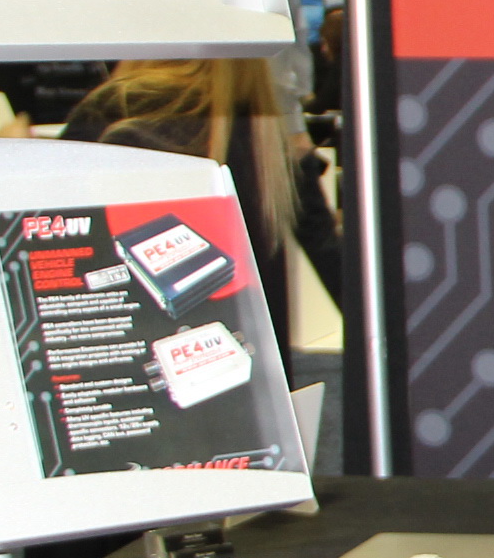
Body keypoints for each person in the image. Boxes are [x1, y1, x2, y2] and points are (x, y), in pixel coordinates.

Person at [61, 57, 341, 348]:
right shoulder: (262, 134)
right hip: (245, 350)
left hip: (132, 343)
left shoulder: (117, 110)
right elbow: (329, 253)